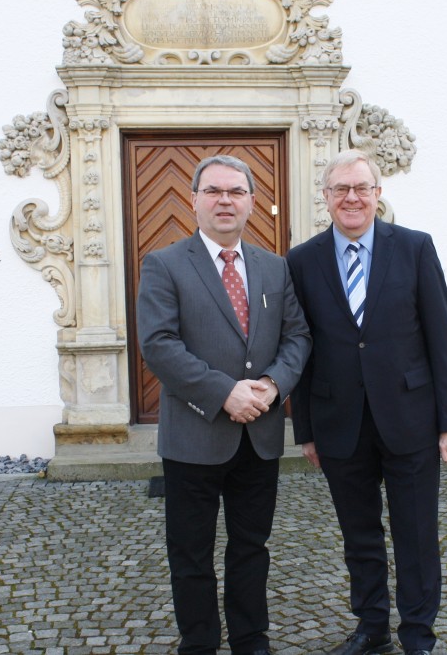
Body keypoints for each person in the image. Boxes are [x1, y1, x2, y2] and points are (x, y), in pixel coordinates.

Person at [286, 149, 447, 655]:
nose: (351, 198)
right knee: (359, 537)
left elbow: (441, 337)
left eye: (361, 188)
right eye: (340, 189)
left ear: (377, 194)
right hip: (338, 422)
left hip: (410, 418)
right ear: (325, 198)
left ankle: (417, 634)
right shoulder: (302, 260)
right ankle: (371, 628)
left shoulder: (414, 248)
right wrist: (305, 429)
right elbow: (298, 346)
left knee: (415, 535)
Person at [137, 155, 311, 655]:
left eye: (236, 192)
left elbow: (297, 335)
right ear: (193, 200)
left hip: (259, 437)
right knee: (190, 554)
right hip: (194, 436)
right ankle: (200, 643)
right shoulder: (165, 264)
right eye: (213, 191)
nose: (225, 201)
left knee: (251, 548)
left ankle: (251, 639)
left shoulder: (274, 267)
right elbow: (159, 344)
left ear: (253, 202)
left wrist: (275, 385)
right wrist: (224, 393)